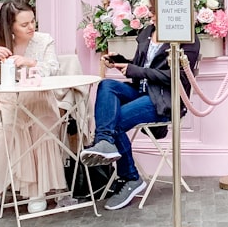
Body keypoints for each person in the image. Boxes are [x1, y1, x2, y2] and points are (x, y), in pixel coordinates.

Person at [80, 24, 200, 211]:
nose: (151, 17)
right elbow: (140, 66)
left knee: (115, 121)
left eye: (154, 12)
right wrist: (121, 62)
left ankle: (130, 178)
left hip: (164, 99)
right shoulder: (148, 32)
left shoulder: (185, 35)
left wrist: (136, 71)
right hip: (141, 91)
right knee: (107, 86)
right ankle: (104, 141)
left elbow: (177, 77)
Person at [0, 0, 63, 222]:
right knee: (3, 133)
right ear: (11, 27)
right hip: (5, 103)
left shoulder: (44, 41)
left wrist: (31, 63)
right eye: (24, 24)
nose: (31, 27)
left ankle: (36, 192)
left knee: (42, 126)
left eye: (33, 22)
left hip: (38, 100)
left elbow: (55, 70)